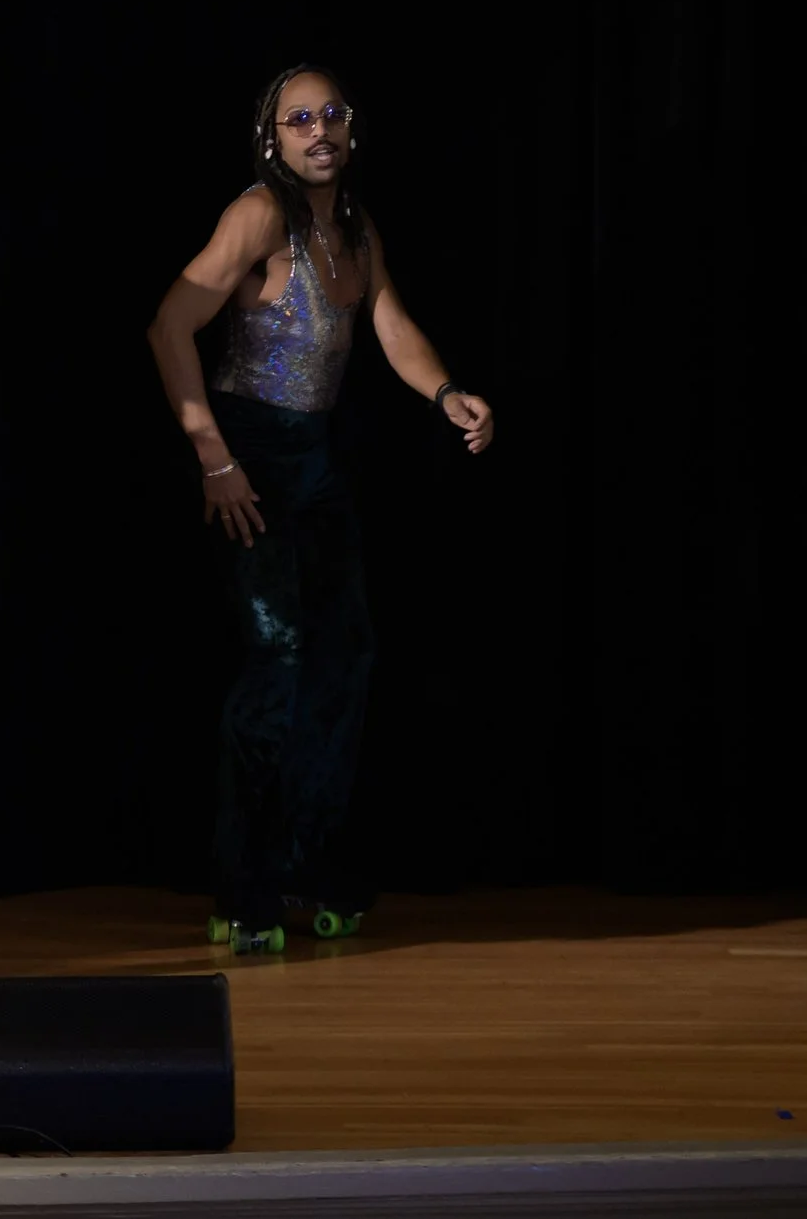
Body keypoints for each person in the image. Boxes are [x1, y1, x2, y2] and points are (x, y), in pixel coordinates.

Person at [145, 67, 494, 954]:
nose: (317, 130)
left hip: (317, 462)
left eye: (331, 114)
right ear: (275, 137)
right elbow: (170, 325)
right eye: (298, 119)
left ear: (351, 130)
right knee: (277, 660)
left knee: (346, 659)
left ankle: (313, 867)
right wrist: (213, 455)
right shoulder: (258, 214)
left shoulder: (356, 228)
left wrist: (445, 390)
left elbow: (390, 324)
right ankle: (245, 888)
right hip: (251, 454)